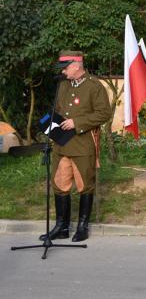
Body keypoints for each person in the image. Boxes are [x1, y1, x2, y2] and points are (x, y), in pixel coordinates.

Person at [39, 50, 111, 242]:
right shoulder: (63, 85)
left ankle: (82, 226)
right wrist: (49, 125)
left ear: (76, 66)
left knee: (84, 185)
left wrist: (77, 123)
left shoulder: (94, 86)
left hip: (82, 145)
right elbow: (58, 110)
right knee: (60, 184)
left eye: (65, 68)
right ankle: (61, 226)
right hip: (61, 145)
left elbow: (104, 114)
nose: (63, 72)